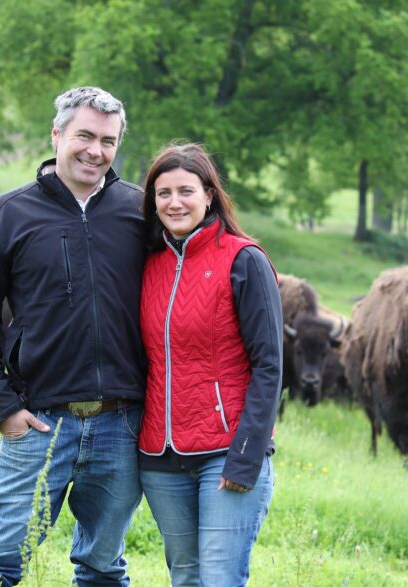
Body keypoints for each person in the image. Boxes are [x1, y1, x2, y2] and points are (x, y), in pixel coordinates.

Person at [0, 87, 147, 587]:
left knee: (104, 568)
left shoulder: (139, 213)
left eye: (108, 140)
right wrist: (1, 408)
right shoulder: (9, 214)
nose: (95, 150)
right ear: (57, 134)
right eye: (84, 135)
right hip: (39, 422)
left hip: (122, 425)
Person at [137, 143, 283, 586]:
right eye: (163, 193)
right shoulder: (148, 264)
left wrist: (246, 456)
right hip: (160, 459)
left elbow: (270, 366)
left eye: (186, 190)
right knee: (185, 577)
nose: (174, 202)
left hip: (227, 452)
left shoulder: (244, 260)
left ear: (209, 196)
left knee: (219, 579)